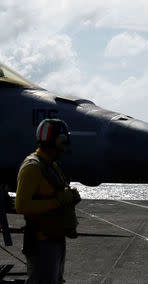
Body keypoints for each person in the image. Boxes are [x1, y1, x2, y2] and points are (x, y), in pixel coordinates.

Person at [15, 118, 81, 284]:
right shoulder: (32, 167)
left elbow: (57, 193)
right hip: (40, 242)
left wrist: (70, 198)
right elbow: (21, 205)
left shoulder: (51, 166)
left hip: (55, 238)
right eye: (63, 141)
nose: (66, 146)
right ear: (52, 141)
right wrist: (58, 201)